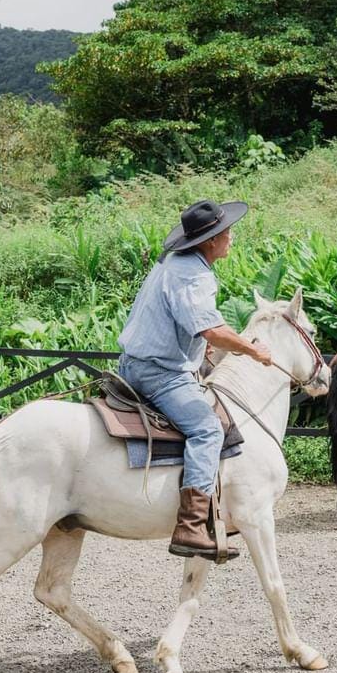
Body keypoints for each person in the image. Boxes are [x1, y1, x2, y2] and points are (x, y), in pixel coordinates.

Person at [117, 199, 272, 560]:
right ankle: (190, 526)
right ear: (209, 241)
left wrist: (197, 350)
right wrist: (252, 350)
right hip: (158, 372)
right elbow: (211, 329)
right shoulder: (193, 273)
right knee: (207, 429)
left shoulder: (175, 262)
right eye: (225, 233)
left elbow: (185, 323)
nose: (231, 238)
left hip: (139, 362)